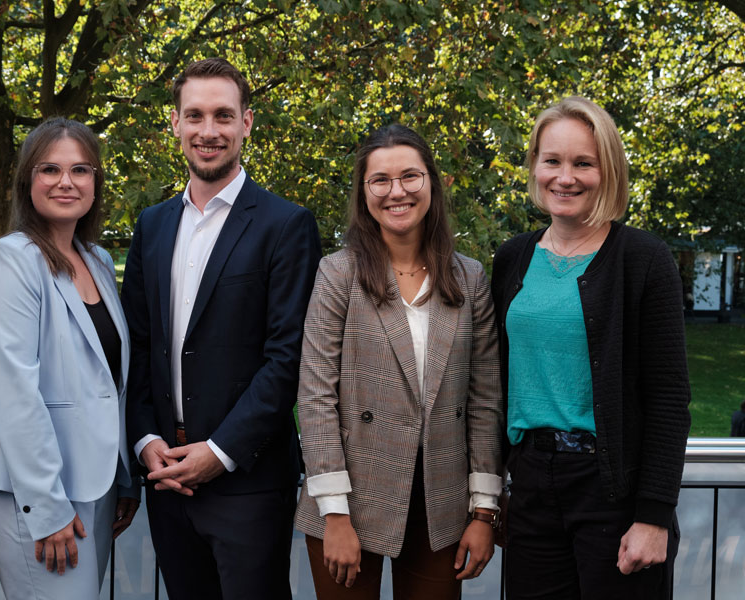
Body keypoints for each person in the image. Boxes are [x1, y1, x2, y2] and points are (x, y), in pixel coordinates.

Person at [121, 57, 322, 599]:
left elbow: (288, 357)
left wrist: (221, 452)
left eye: (223, 116)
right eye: (195, 116)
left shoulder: (287, 225)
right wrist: (144, 441)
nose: (208, 131)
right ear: (175, 124)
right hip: (167, 480)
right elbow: (138, 346)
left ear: (247, 122)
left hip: (248, 483)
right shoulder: (153, 224)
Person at [491, 96, 692, 599]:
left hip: (613, 491)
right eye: (552, 160)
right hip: (532, 487)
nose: (565, 177)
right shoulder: (512, 258)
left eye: (584, 163)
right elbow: (493, 384)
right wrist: (490, 496)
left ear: (609, 171)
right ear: (535, 165)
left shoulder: (644, 260)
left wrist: (653, 515)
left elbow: (669, 399)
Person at [294, 124, 503, 599]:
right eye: (380, 180)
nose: (397, 192)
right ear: (364, 191)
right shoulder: (338, 273)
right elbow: (315, 396)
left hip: (441, 506)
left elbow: (486, 400)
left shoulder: (468, 278)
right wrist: (336, 514)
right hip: (350, 500)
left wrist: (483, 511)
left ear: (432, 181)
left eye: (410, 176)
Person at [0, 118, 138, 599]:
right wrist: (47, 507)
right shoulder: (12, 260)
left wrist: (124, 478)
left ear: (95, 183)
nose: (66, 182)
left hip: (98, 485)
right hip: (40, 495)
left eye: (80, 170)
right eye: (50, 169)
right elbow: (13, 394)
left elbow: (109, 380)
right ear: (28, 181)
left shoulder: (99, 261)